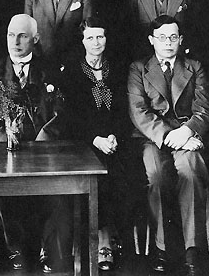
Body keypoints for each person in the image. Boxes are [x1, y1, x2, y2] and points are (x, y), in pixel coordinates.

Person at [0, 14, 68, 273]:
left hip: (42, 150)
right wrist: (9, 141)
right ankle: (16, 249)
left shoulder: (49, 69)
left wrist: (42, 141)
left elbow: (61, 112)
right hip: (4, 150)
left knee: (54, 191)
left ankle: (46, 249)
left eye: (23, 36)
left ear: (35, 39)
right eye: (11, 35)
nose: (15, 42)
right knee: (0, 196)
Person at [127, 15, 209, 276]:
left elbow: (203, 108)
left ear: (181, 40)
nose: (168, 42)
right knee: (157, 176)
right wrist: (167, 135)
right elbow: (138, 111)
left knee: (191, 171)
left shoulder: (194, 67)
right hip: (153, 137)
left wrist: (186, 131)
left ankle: (192, 251)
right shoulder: (138, 68)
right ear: (151, 40)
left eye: (173, 37)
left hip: (187, 137)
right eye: (162, 37)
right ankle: (162, 248)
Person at [59, 17, 132, 272]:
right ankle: (102, 239)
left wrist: (114, 136)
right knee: (98, 175)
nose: (96, 42)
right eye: (90, 37)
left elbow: (125, 110)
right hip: (85, 142)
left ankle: (115, 234)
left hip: (115, 140)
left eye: (100, 36)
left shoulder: (118, 69)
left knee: (125, 172)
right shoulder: (72, 71)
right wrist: (96, 139)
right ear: (82, 41)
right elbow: (71, 117)